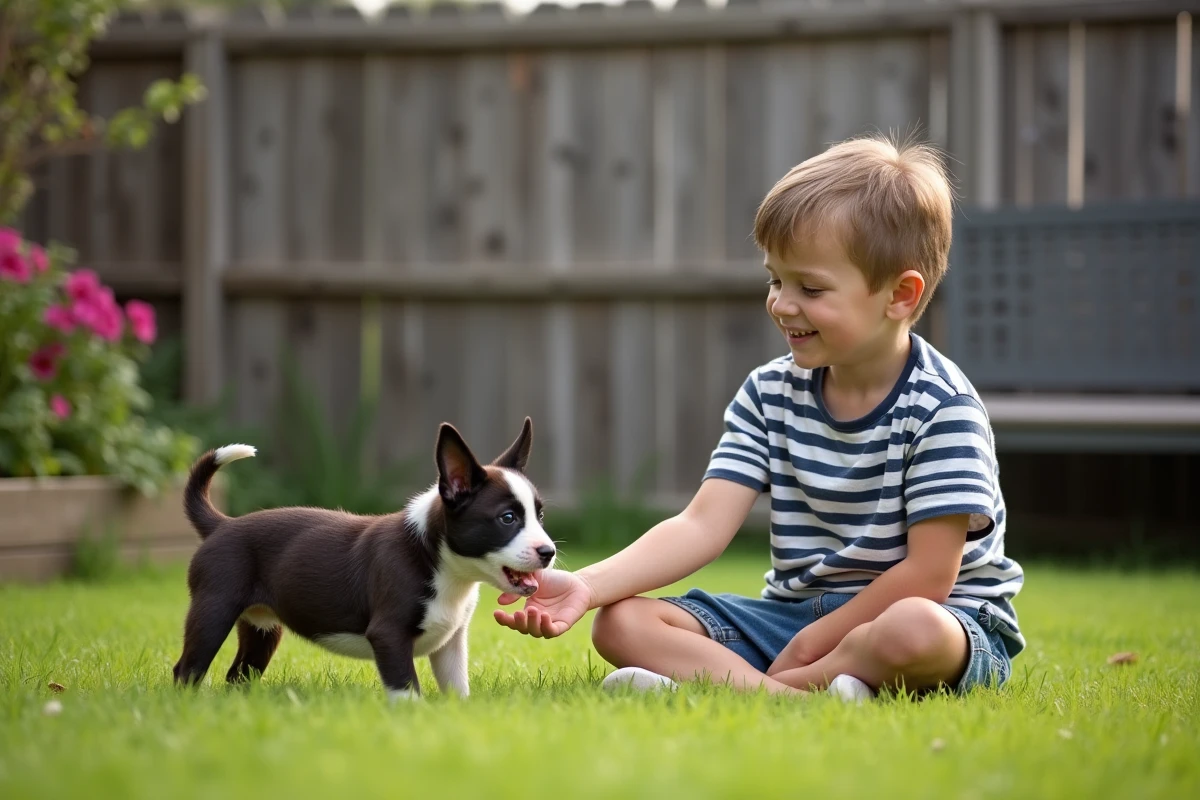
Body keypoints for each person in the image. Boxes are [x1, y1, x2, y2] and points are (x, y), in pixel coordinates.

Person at [494, 133, 1024, 701]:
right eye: (775, 279)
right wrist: (586, 585)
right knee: (621, 623)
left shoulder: (942, 408)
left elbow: (929, 576)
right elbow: (700, 526)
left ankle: (740, 688)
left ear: (899, 295)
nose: (782, 303)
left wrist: (816, 641)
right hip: (791, 616)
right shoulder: (770, 393)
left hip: (941, 620)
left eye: (811, 287)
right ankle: (799, 699)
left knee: (911, 630)